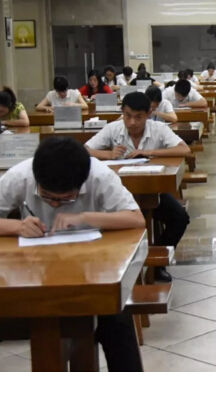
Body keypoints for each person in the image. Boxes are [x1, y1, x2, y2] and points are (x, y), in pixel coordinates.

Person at [0, 137, 145, 371]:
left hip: (92, 271)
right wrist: (17, 226)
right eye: (46, 196)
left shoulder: (99, 175)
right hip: (34, 270)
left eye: (66, 198)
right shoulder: (20, 175)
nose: (55, 205)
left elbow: (136, 219)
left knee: (117, 319)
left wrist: (84, 217)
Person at [85, 92, 191, 283]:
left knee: (180, 218)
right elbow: (84, 150)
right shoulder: (113, 129)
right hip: (117, 195)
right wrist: (108, 155)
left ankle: (157, 265)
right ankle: (118, 264)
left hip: (151, 190)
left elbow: (184, 149)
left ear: (149, 114)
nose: (132, 122)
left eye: (138, 117)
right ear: (122, 112)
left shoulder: (158, 129)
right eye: (127, 116)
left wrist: (148, 152)